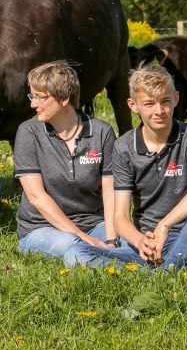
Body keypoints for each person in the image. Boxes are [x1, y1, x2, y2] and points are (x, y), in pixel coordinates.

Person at [65, 65, 187, 269]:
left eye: (165, 101)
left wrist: (165, 225)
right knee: (75, 254)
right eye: (149, 103)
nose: (159, 111)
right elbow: (120, 217)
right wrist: (140, 241)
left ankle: (168, 269)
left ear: (175, 98)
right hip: (146, 244)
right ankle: (171, 270)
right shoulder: (123, 148)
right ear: (133, 105)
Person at [13, 61, 119, 258]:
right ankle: (103, 262)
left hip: (93, 223)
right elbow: (36, 195)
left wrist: (112, 239)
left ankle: (116, 261)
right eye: (32, 96)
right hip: (43, 228)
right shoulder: (28, 132)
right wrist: (80, 236)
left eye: (40, 98)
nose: (33, 104)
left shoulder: (102, 132)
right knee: (73, 246)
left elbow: (110, 190)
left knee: (129, 239)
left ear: (64, 99)